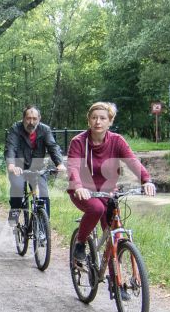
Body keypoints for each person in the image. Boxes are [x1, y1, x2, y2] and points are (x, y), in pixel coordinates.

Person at [66, 101, 155, 246]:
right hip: (83, 191)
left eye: (103, 118)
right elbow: (73, 167)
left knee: (115, 234)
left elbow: (132, 161)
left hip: (108, 193)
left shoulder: (117, 141)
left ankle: (115, 263)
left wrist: (146, 180)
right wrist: (78, 186)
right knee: (96, 209)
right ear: (88, 120)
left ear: (110, 121)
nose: (98, 122)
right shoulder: (78, 142)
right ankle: (80, 244)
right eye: (94, 118)